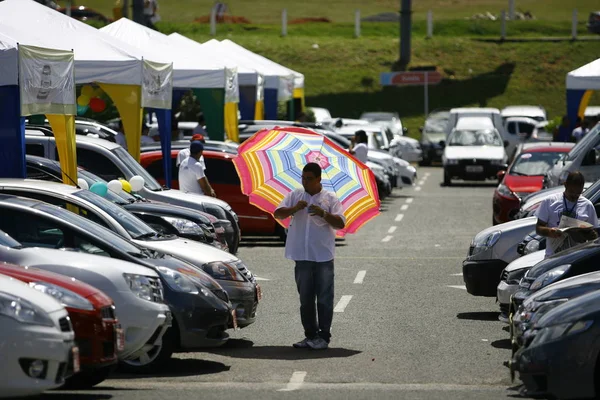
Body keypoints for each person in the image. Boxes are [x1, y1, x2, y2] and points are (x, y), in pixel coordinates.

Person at [274, 162, 346, 350]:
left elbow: (340, 224)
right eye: (303, 178)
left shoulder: (330, 198)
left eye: (309, 179)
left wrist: (323, 213)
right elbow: (278, 214)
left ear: (319, 179)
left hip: (323, 256)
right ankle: (310, 335)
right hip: (302, 255)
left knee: (324, 298)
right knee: (305, 299)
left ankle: (323, 336)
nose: (305, 182)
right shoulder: (296, 195)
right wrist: (294, 209)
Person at [535, 171, 598, 257]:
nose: (575, 196)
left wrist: (589, 235)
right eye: (572, 192)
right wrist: (550, 231)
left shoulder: (587, 206)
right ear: (565, 185)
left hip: (577, 258)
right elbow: (538, 228)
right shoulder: (549, 201)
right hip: (553, 257)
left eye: (578, 193)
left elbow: (595, 236)